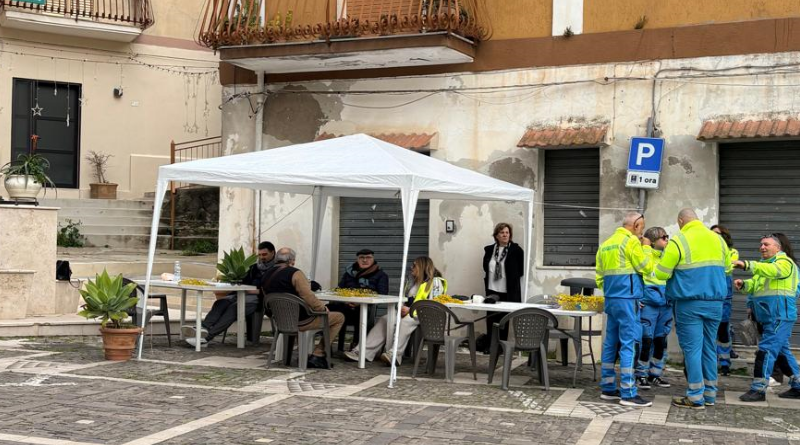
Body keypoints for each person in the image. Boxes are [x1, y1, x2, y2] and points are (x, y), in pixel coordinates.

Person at [654, 208, 729, 409]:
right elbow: (728, 268)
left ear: (681, 221)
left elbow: (661, 274)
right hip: (715, 303)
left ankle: (695, 396)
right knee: (709, 348)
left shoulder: (679, 240)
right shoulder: (718, 240)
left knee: (692, 350)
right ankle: (710, 394)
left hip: (689, 304)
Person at [595, 212, 654, 407]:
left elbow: (600, 277)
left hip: (612, 299)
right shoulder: (631, 242)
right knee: (628, 343)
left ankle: (608, 387)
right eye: (642, 227)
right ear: (636, 226)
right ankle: (628, 392)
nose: (642, 231)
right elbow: (645, 267)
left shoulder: (606, 244)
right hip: (628, 298)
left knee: (610, 342)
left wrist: (612, 291)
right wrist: (646, 248)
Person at [733, 234, 800, 401]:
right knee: (782, 352)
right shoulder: (764, 265)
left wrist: (747, 265)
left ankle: (758, 389)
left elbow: (774, 271)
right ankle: (798, 385)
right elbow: (756, 285)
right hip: (770, 317)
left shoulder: (784, 263)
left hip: (779, 317)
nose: (762, 247)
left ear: (778, 248)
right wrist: (745, 285)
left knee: (766, 350)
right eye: (761, 244)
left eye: (766, 244)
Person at [344, 256, 447, 365]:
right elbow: (404, 298)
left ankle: (394, 355)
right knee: (385, 319)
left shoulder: (435, 282)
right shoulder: (412, 281)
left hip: (426, 315)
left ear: (422, 267)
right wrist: (401, 308)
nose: (411, 268)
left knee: (406, 322)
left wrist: (410, 309)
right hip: (410, 313)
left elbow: (433, 304)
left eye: (414, 265)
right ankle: (362, 352)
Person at [261, 247, 344, 369]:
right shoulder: (295, 273)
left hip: (280, 321)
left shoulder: (266, 275)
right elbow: (308, 296)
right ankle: (318, 355)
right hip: (303, 321)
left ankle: (295, 356)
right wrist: (322, 309)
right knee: (339, 317)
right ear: (292, 261)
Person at [183, 241, 276, 347]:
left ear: (273, 253)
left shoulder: (276, 270)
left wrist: (258, 291)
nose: (262, 257)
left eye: (264, 255)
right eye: (260, 255)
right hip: (242, 294)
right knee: (222, 302)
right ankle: (202, 329)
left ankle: (207, 338)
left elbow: (276, 288)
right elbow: (244, 281)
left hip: (259, 299)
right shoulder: (254, 267)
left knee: (234, 308)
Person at [634, 227, 673, 390]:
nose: (667, 240)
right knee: (646, 340)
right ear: (653, 240)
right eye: (664, 237)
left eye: (667, 237)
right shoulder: (644, 254)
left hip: (666, 304)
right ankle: (640, 374)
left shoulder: (669, 255)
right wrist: (636, 297)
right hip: (648, 305)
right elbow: (636, 275)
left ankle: (655, 374)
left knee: (660, 340)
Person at [328, 249, 390, 348]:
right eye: (362, 257)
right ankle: (326, 347)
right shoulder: (349, 273)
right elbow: (339, 290)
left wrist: (360, 302)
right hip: (345, 306)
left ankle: (356, 346)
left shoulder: (381, 275)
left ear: (373, 259)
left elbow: (382, 295)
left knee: (360, 312)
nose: (365, 260)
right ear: (357, 259)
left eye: (368, 257)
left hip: (365, 308)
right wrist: (345, 301)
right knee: (328, 308)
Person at [481, 222, 525, 351]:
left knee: (503, 320)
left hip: (508, 290)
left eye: (507, 232)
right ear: (496, 235)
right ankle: (490, 346)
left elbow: (521, 270)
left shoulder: (516, 250)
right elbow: (485, 267)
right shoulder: (489, 249)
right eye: (502, 233)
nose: (505, 235)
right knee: (491, 318)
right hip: (492, 289)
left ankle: (500, 347)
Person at [710, 225, 739, 376]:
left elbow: (727, 267)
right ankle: (710, 362)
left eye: (717, 234)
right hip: (710, 290)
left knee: (723, 329)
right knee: (709, 329)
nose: (714, 237)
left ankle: (725, 363)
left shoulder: (731, 252)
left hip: (724, 291)